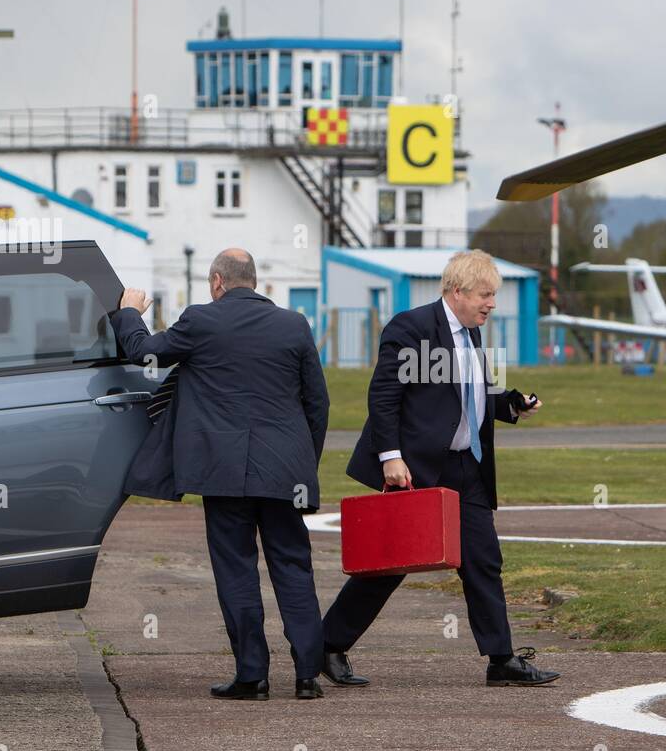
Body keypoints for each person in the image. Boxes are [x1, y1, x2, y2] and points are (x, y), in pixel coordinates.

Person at [320, 250, 560, 688]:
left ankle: (500, 659)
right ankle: (328, 645)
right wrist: (389, 456)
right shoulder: (411, 327)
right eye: (485, 295)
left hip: (466, 467)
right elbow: (384, 397)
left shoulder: (472, 334)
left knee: (483, 561)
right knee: (390, 566)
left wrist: (509, 403)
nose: (492, 304)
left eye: (494, 296)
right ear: (457, 292)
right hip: (415, 469)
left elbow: (467, 395)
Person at [114, 249, 330, 701]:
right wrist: (303, 461)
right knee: (293, 566)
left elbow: (145, 353)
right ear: (255, 281)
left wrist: (130, 313)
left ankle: (253, 675)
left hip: (224, 471)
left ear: (217, 281)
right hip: (286, 471)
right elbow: (318, 403)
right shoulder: (294, 325)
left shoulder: (200, 320)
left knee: (237, 571)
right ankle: (308, 674)